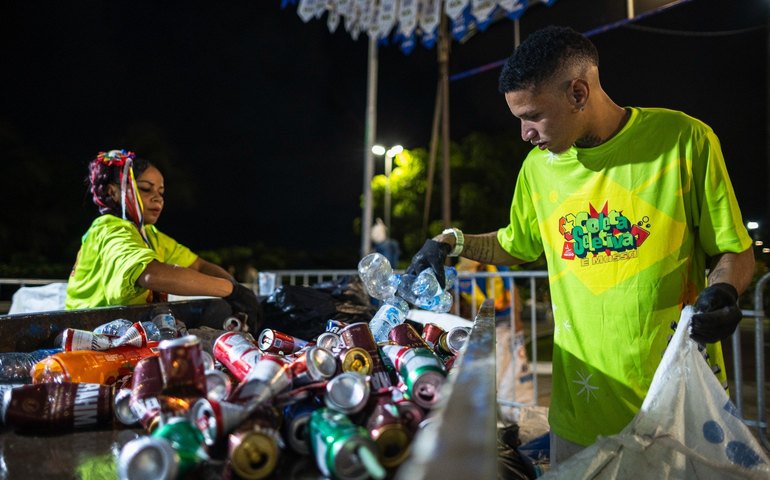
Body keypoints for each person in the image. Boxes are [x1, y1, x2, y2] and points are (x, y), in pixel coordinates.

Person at [406, 26, 755, 465]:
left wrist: (724, 291)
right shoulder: (538, 169)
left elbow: (734, 249)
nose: (525, 134)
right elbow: (518, 244)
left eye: (532, 115)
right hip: (579, 418)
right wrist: (450, 242)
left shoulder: (684, 140)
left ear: (577, 93)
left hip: (678, 408)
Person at [65, 149, 262, 328]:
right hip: (87, 337)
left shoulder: (150, 234)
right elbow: (152, 274)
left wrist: (239, 293)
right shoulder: (109, 229)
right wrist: (230, 290)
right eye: (145, 188)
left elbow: (199, 265)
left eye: (161, 192)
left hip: (119, 331)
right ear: (113, 192)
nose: (157, 198)